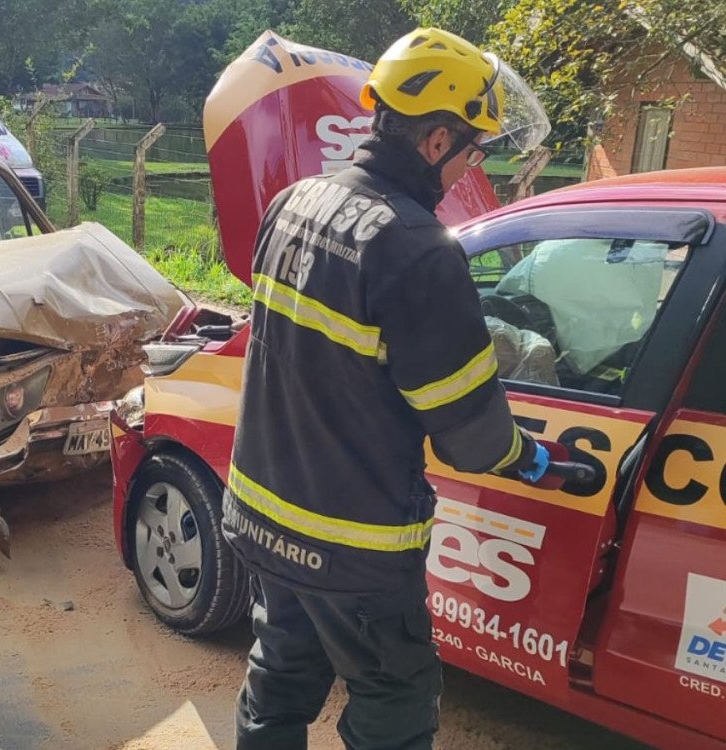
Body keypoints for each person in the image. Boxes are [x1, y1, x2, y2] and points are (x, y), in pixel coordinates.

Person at [223, 27, 553, 750]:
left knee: (277, 683)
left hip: (262, 517)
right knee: (394, 707)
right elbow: (467, 433)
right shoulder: (419, 253)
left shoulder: (294, 200)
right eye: (477, 147)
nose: (474, 161)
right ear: (437, 142)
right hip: (355, 545)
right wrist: (527, 459)